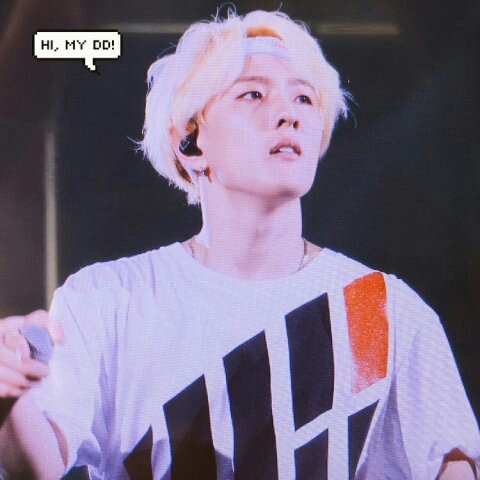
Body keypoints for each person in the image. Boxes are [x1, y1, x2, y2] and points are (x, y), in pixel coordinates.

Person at [0, 9, 479, 480]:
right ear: (189, 140)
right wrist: (8, 393)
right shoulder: (107, 300)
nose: (289, 114)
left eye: (304, 98)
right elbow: (34, 466)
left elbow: (454, 467)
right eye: (253, 93)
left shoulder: (385, 311)